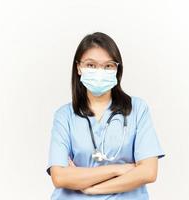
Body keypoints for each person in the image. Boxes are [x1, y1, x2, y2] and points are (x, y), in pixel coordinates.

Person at [46, 32, 165, 199]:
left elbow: (148, 172)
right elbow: (59, 177)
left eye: (108, 66)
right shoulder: (64, 116)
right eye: (91, 65)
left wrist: (90, 189)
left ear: (117, 69)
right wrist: (117, 169)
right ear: (79, 68)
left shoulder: (137, 109)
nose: (99, 71)